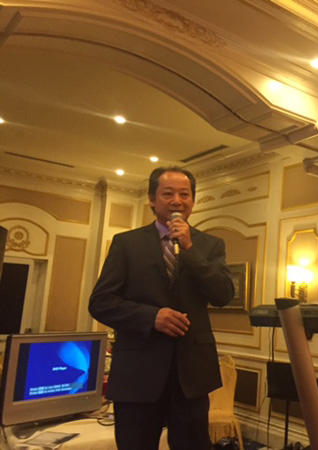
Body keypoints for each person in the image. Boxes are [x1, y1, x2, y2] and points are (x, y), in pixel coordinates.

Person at [89, 167, 234, 450]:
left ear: (193, 201)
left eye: (185, 194)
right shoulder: (127, 244)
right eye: (168, 194)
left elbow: (223, 295)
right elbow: (101, 302)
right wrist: (151, 317)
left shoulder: (211, 245)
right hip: (137, 374)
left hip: (191, 376)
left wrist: (190, 249)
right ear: (152, 200)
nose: (177, 200)